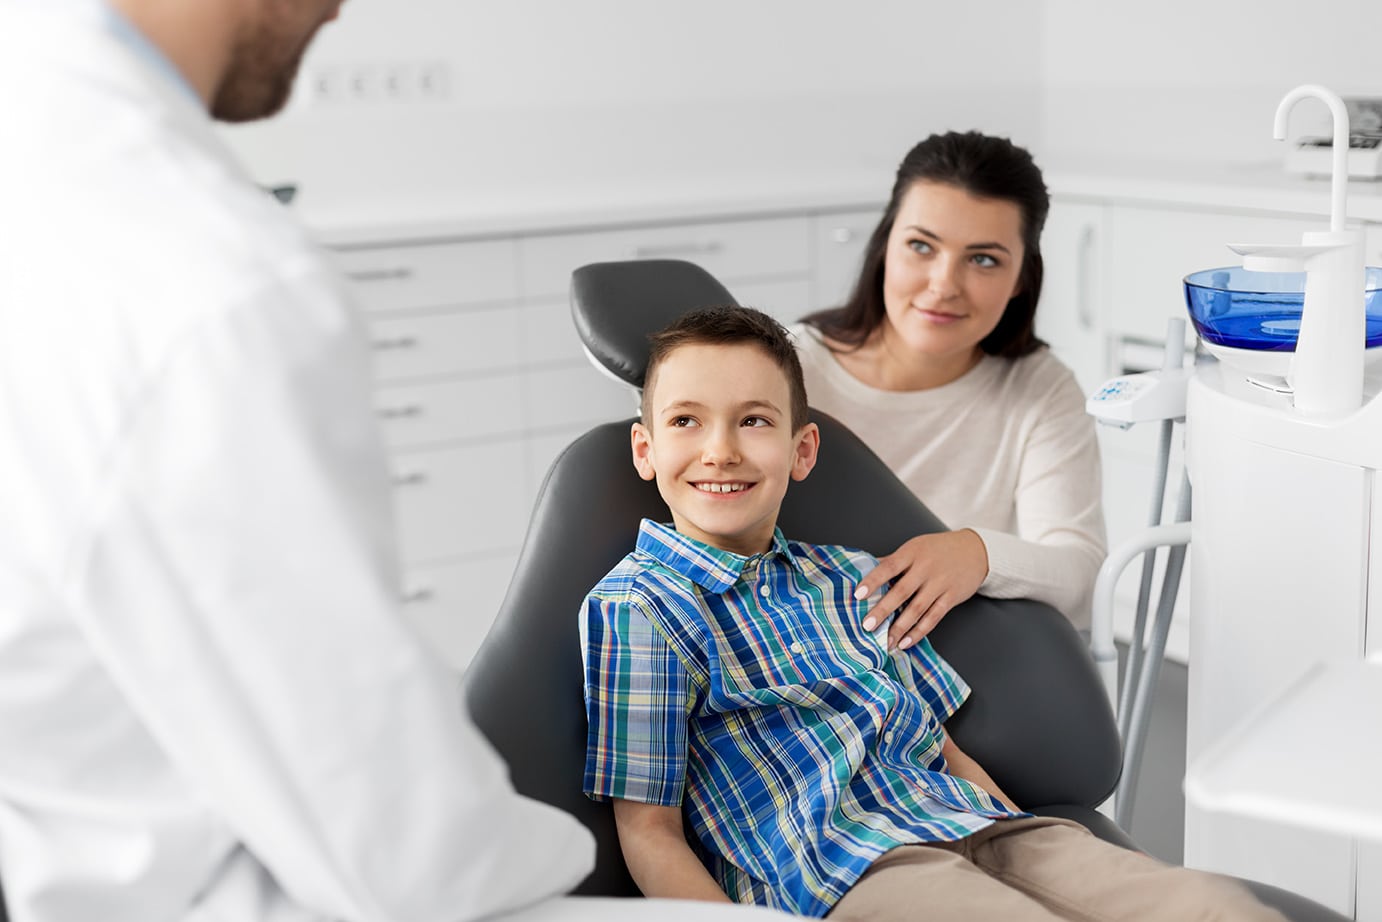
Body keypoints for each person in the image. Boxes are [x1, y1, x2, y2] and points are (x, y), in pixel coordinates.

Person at [0, 3, 789, 922]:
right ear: (645, 445)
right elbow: (401, 847)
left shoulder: (46, 152)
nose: (337, 8)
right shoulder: (211, 280)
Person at [581, 305, 1283, 920]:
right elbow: (649, 833)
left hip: (976, 827)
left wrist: (1021, 836)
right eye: (685, 422)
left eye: (754, 421)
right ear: (646, 450)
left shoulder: (852, 577)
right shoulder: (640, 609)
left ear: (802, 450)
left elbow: (942, 747)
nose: (721, 449)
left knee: (1221, 909)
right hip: (843, 873)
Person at [794, 131, 1105, 651]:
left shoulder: (1040, 388)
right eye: (921, 246)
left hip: (960, 669)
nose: (944, 284)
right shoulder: (790, 366)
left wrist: (978, 554)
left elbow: (1080, 574)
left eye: (983, 259)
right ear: (885, 246)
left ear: (1021, 278)